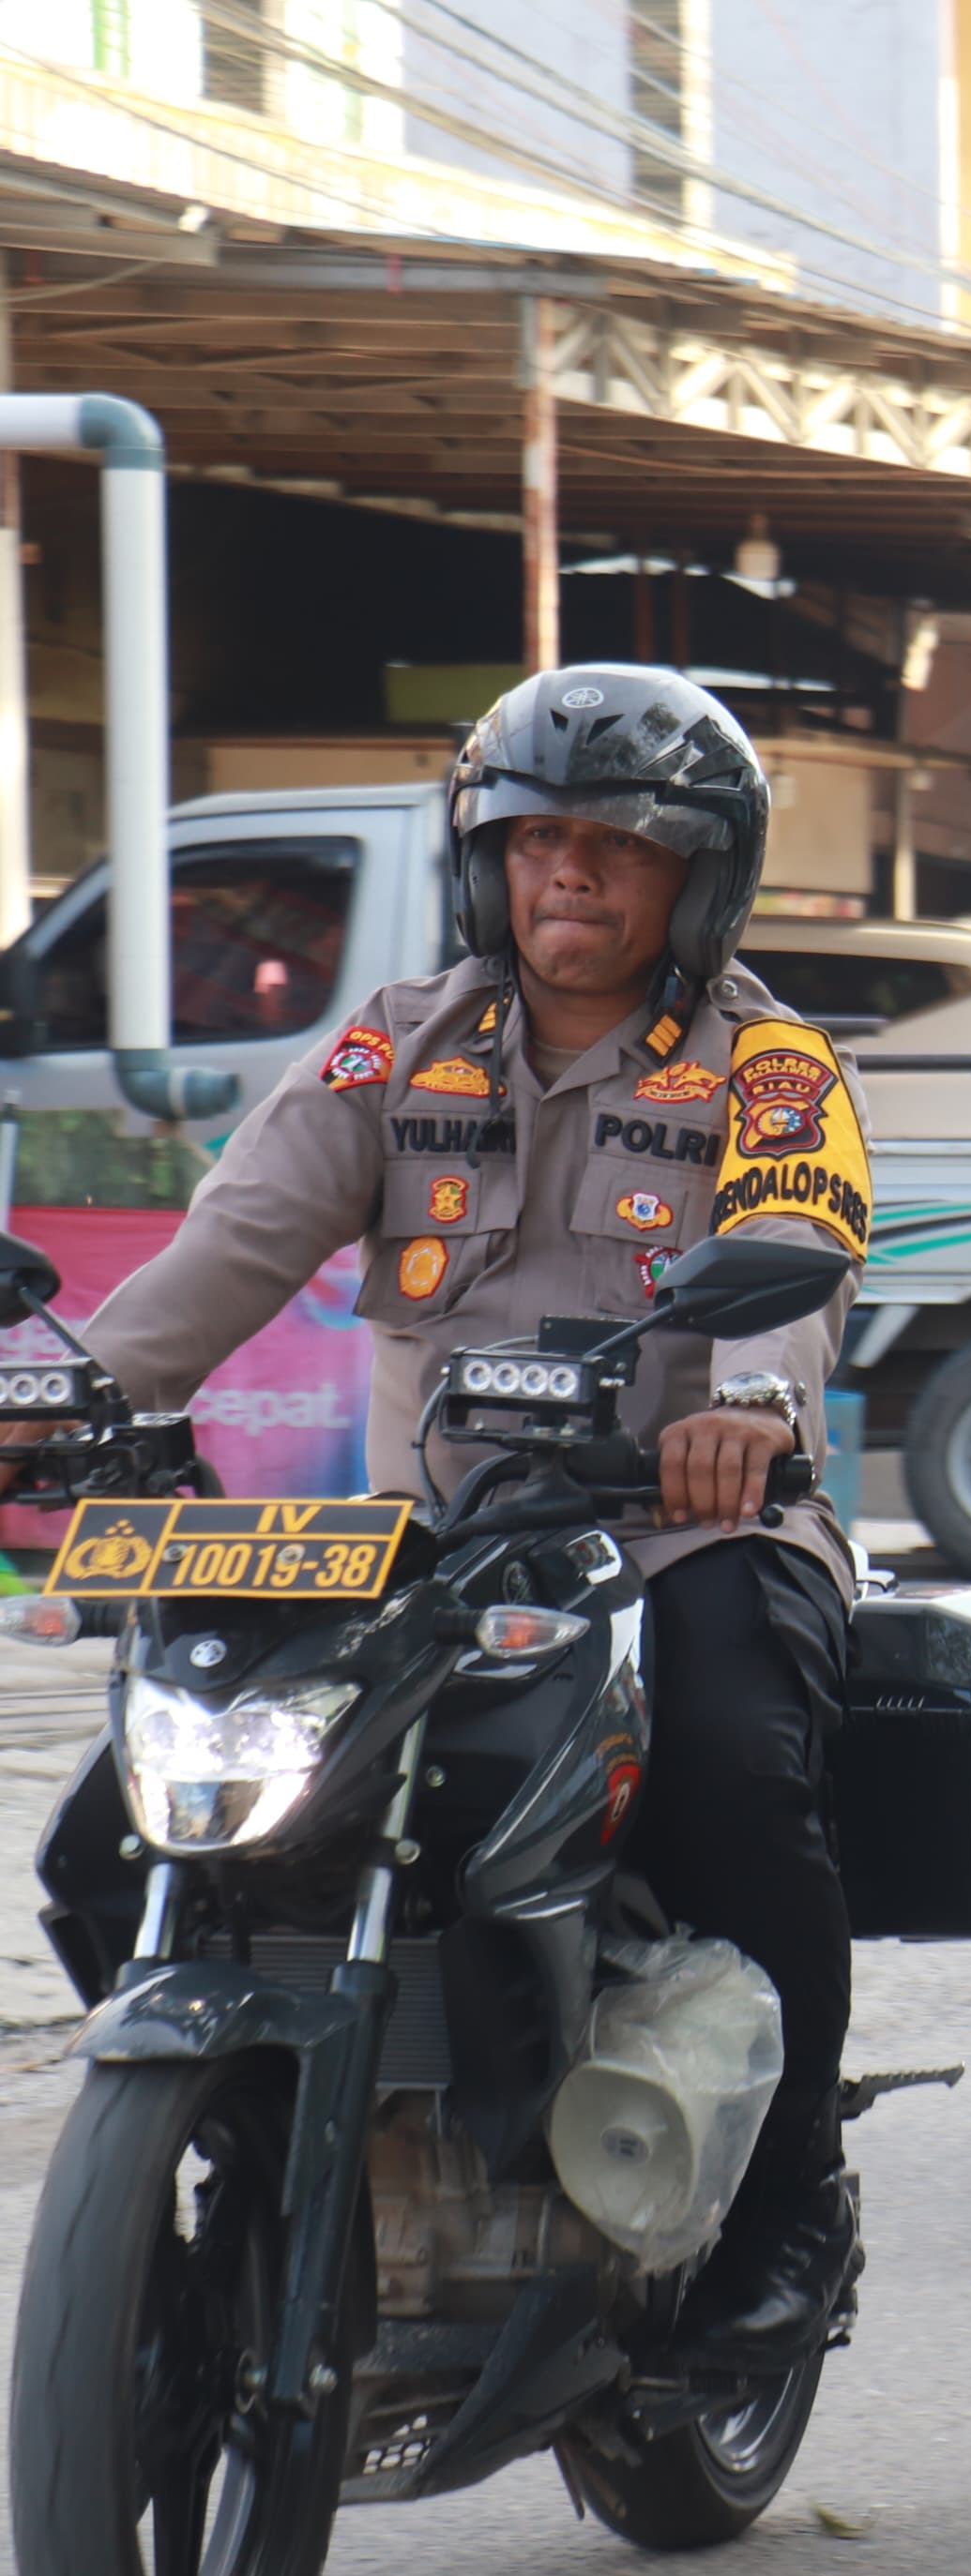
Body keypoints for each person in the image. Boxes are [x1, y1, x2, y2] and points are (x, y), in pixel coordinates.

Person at [30, 668, 872, 2366]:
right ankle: (251, 2129)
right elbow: (237, 1237)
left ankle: (795, 2192)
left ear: (695, 877)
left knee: (728, 1760)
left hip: (681, 1531)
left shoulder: (770, 1066)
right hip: (433, 1549)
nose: (571, 873)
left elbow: (799, 1250)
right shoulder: (397, 1042)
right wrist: (72, 1388)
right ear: (485, 858)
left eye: (619, 845)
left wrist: (749, 1407)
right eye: (537, 837)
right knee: (129, 1820)